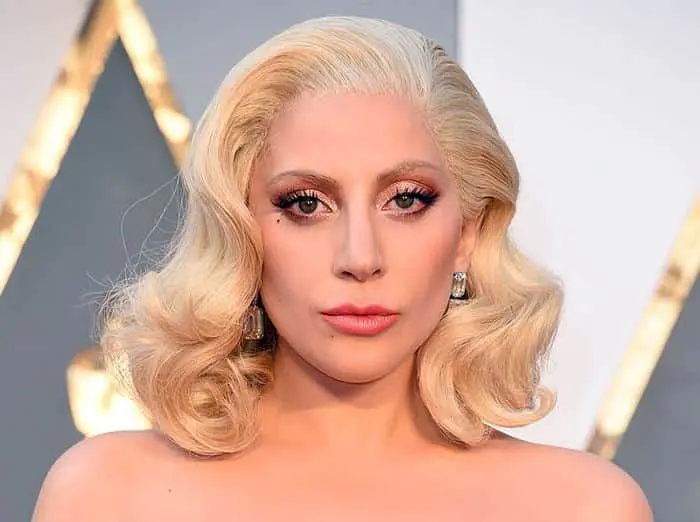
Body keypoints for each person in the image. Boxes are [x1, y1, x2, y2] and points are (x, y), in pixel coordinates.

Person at [33, 16, 652, 521]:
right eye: (306, 204)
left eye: (406, 200)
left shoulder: (584, 507)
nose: (360, 258)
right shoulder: (106, 496)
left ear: (467, 233)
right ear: (241, 231)